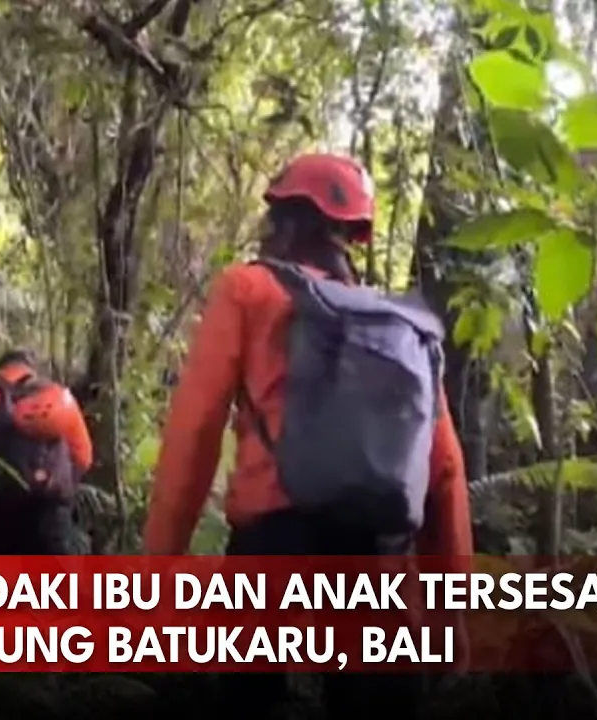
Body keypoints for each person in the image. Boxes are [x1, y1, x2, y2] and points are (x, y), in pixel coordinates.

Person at [142, 153, 474, 719]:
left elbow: (195, 433)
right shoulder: (402, 324)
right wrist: (453, 613)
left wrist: (158, 572)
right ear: (350, 235)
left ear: (286, 220)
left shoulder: (248, 289)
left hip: (274, 542)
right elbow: (444, 469)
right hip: (378, 554)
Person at [0, 349, 94, 555]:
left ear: (0, 369)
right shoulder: (60, 401)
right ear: (32, 370)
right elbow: (83, 458)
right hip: (49, 517)